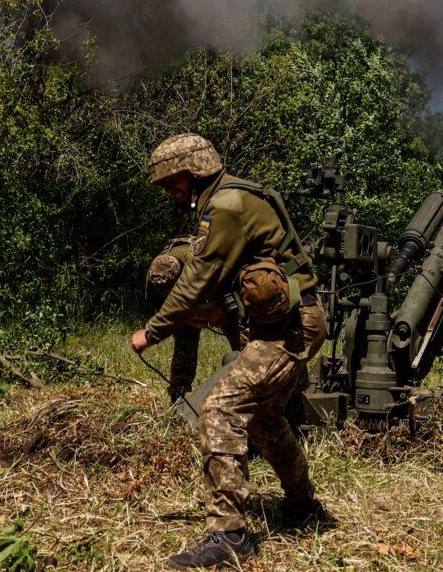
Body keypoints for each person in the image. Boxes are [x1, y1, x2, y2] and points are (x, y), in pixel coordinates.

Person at [130, 133, 331, 569]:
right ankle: (303, 506)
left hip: (292, 327)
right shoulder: (222, 201)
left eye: (173, 181)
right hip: (288, 322)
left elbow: (198, 278)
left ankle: (230, 535)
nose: (171, 192)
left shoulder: (227, 205)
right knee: (263, 417)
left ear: (194, 169)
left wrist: (152, 331)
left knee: (219, 409)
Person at [145, 236, 242, 404]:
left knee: (241, 340)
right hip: (190, 300)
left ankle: (252, 386)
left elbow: (230, 283)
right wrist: (186, 317)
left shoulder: (202, 260)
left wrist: (217, 309)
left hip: (218, 289)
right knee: (184, 342)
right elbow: (162, 310)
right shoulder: (154, 278)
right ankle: (178, 395)